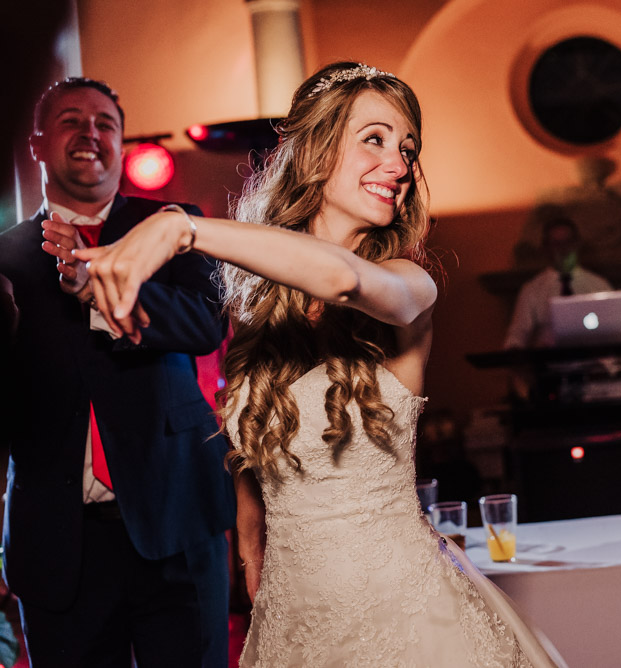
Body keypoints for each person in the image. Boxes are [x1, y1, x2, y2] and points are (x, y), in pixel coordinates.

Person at [76, 61, 566, 667]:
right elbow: (253, 448)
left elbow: (341, 277)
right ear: (314, 153)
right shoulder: (259, 309)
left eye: (408, 148)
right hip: (293, 619)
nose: (400, 163)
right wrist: (251, 544)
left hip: (403, 619)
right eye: (375, 139)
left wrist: (182, 229)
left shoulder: (410, 288)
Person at [0, 77, 235, 667]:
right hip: (58, 543)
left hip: (177, 521)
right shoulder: (5, 257)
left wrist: (96, 292)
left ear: (122, 144)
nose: (91, 134)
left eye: (105, 123)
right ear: (37, 144)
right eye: (71, 121)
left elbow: (207, 322)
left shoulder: (175, 226)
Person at [504, 217, 612, 349]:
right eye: (556, 243)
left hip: (592, 365)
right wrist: (515, 350)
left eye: (568, 242)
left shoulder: (599, 285)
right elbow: (518, 333)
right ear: (546, 248)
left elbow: (614, 330)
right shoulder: (532, 289)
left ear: (577, 243)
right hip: (549, 366)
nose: (563, 249)